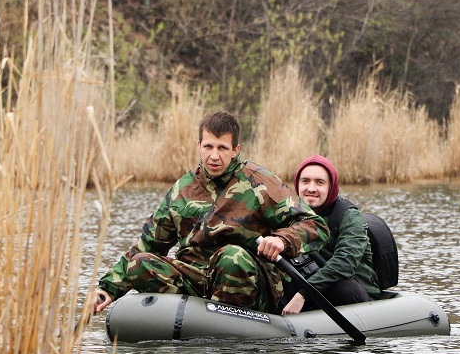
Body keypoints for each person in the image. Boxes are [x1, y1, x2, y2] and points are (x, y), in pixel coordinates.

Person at [93, 111, 328, 315]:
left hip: (246, 278)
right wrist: (107, 288)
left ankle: (230, 328)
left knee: (231, 257)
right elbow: (147, 245)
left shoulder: (261, 183)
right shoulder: (181, 190)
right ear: (199, 146)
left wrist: (281, 240)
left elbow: (314, 224)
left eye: (222, 148)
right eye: (208, 147)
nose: (214, 156)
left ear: (235, 150)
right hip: (195, 277)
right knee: (139, 264)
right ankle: (190, 318)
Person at [281, 155, 380, 315]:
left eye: (319, 182)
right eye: (305, 181)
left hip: (349, 289)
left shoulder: (348, 216)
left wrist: (304, 293)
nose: (311, 188)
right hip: (308, 282)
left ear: (330, 187)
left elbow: (345, 262)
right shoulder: (289, 214)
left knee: (346, 289)